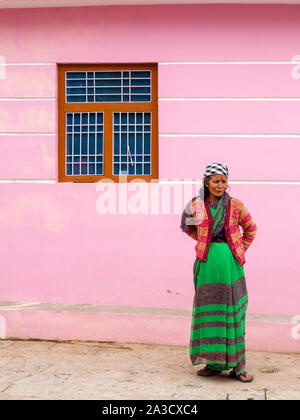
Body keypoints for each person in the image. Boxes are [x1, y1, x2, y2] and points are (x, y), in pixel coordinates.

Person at [180, 163, 257, 383]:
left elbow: (251, 229)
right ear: (206, 182)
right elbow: (187, 227)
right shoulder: (195, 205)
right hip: (207, 262)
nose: (220, 185)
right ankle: (213, 363)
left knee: (232, 311)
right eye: (216, 181)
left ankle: (237, 367)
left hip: (230, 264)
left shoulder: (236, 205)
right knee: (209, 312)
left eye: (223, 181)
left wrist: (238, 249)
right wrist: (204, 241)